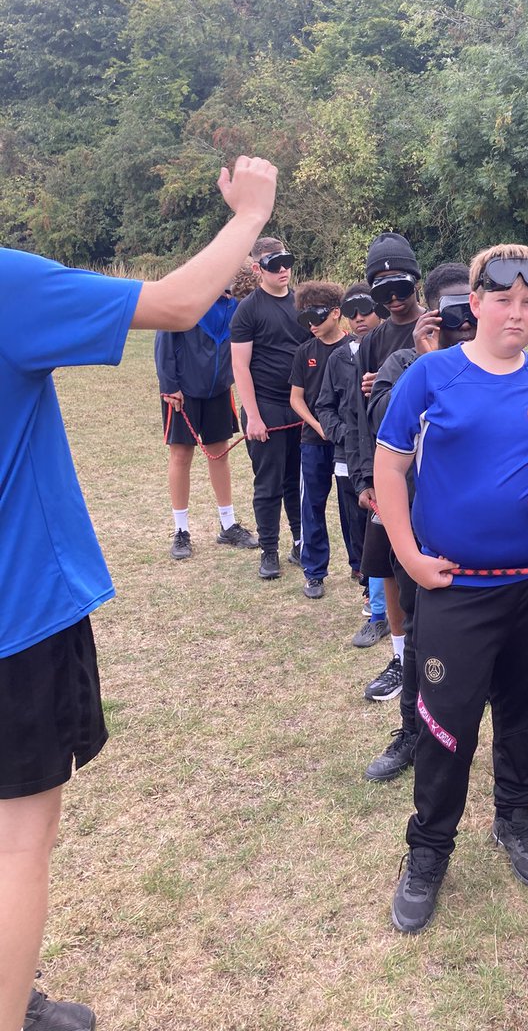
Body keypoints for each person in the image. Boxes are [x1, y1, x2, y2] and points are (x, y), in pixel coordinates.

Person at [0, 156, 278, 1031]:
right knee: (17, 842)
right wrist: (249, 215)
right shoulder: (7, 286)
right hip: (15, 615)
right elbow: (177, 304)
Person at [374, 244, 528, 933]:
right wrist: (409, 556)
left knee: (527, 710)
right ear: (477, 301)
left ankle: (515, 814)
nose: (517, 314)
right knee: (447, 723)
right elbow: (389, 468)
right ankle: (428, 849)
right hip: (457, 588)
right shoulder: (431, 375)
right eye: (504, 300)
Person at [363, 264, 477, 782]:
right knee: (419, 632)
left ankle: (509, 739)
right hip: (419, 528)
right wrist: (428, 361)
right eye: (451, 310)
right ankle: (412, 730)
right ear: (432, 311)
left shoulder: (499, 360)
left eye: (469, 306)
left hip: (484, 527)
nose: (464, 320)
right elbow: (383, 420)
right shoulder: (405, 362)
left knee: (501, 640)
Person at [347, 233, 426, 654]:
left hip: (430, 470)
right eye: (382, 291)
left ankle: (428, 654)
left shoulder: (437, 326)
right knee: (389, 567)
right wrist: (364, 478)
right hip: (385, 469)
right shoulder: (372, 342)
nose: (394, 299)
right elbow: (359, 416)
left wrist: (396, 383)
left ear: (417, 281)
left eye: (401, 287)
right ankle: (399, 657)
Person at [155, 288, 258, 559]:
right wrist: (169, 385)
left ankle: (228, 525)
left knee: (219, 453)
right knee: (181, 455)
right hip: (182, 391)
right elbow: (164, 340)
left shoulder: (235, 305)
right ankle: (181, 530)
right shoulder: (186, 297)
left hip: (219, 390)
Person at [230, 237, 311, 580]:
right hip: (265, 407)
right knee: (269, 483)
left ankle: (300, 544)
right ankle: (269, 550)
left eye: (286, 262)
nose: (282, 270)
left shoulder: (302, 303)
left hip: (299, 406)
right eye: (274, 264)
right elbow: (240, 366)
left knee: (297, 480)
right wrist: (253, 416)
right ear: (257, 268)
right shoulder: (248, 309)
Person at [315, 283, 388, 642]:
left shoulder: (397, 348)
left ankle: (386, 601)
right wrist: (345, 434)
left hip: (391, 457)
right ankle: (370, 592)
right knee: (358, 529)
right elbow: (324, 405)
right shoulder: (338, 358)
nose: (359, 319)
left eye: (366, 310)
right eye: (351, 312)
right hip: (349, 458)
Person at [289, 282, 351, 599]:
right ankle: (314, 572)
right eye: (305, 319)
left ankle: (361, 566)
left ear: (336, 313)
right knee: (312, 506)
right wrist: (317, 424)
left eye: (316, 317)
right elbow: (296, 398)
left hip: (347, 443)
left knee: (352, 506)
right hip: (313, 441)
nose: (311, 325)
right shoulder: (305, 352)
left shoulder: (355, 347)